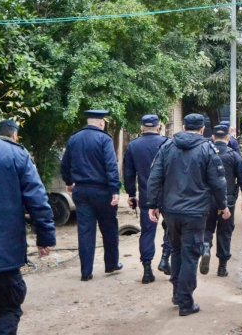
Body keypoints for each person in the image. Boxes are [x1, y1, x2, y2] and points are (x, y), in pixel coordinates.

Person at [0, 103, 56, 334]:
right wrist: (45, 237)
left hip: (0, 248)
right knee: (6, 310)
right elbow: (37, 200)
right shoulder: (13, 153)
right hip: (2, 251)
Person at [147, 113, 229, 316]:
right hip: (196, 212)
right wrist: (223, 205)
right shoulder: (207, 149)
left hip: (171, 211)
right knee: (191, 254)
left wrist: (152, 204)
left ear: (183, 127)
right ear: (202, 129)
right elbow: (218, 181)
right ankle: (185, 302)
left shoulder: (167, 147)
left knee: (176, 250)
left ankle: (177, 293)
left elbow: (154, 176)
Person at [60, 110, 122, 281]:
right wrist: (115, 190)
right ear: (101, 123)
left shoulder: (74, 139)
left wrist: (68, 182)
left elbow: (65, 164)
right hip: (102, 191)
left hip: (81, 190)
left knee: (85, 231)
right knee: (109, 228)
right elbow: (111, 166)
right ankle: (111, 264)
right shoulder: (104, 139)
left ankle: (86, 272)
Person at [123, 114, 172, 284]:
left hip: (146, 195)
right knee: (171, 228)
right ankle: (165, 258)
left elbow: (129, 174)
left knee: (147, 232)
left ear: (142, 128)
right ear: (158, 127)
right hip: (168, 195)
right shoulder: (167, 143)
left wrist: (130, 194)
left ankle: (147, 270)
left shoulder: (133, 146)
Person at [200, 125, 242, 277]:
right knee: (225, 232)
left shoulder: (205, 154)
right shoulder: (234, 156)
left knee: (206, 229)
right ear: (228, 138)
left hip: (207, 200)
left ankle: (206, 247)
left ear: (213, 138)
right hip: (227, 201)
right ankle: (222, 267)